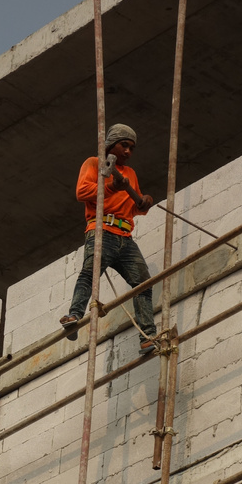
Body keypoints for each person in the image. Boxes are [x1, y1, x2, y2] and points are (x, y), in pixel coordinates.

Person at [60, 124, 160, 352]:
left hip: (125, 236)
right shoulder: (94, 163)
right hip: (102, 230)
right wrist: (112, 185)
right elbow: (82, 192)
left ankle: (148, 336)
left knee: (143, 283)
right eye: (124, 145)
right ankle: (74, 315)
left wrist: (143, 203)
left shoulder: (131, 173)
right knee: (90, 273)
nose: (128, 152)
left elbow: (130, 207)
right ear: (111, 144)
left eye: (131, 148)